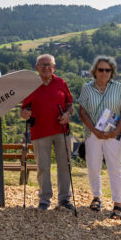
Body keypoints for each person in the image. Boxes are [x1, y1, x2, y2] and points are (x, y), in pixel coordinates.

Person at [77, 56, 121, 219]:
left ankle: (118, 203)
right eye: (101, 69)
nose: (104, 72)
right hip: (93, 135)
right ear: (95, 71)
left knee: (115, 168)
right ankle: (96, 197)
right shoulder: (87, 88)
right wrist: (94, 130)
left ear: (112, 72)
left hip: (113, 135)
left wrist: (115, 132)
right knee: (93, 167)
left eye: (107, 70)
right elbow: (82, 113)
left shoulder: (119, 87)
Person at [20, 54, 74, 210]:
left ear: (54, 67)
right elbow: (23, 109)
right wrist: (24, 114)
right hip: (39, 131)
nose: (46, 68)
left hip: (61, 130)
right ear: (37, 67)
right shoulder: (31, 85)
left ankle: (64, 199)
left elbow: (70, 105)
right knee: (43, 166)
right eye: (42, 65)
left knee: (64, 165)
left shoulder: (61, 83)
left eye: (49, 65)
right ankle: (45, 199)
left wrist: (67, 114)